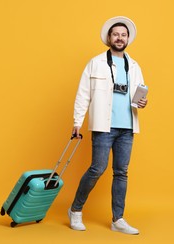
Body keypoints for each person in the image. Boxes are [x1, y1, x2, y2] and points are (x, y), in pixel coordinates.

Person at [68, 16, 148, 235]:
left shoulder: (133, 65)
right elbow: (83, 94)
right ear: (109, 38)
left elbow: (139, 94)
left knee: (121, 172)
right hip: (104, 126)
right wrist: (78, 121)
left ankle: (118, 219)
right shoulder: (96, 62)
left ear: (128, 38)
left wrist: (142, 101)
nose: (120, 38)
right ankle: (75, 210)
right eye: (116, 34)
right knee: (97, 168)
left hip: (128, 127)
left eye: (123, 35)